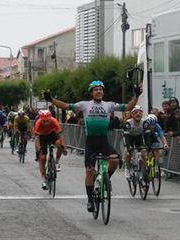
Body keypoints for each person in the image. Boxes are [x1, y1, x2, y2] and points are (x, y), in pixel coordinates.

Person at [43, 80, 141, 212]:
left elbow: (129, 107)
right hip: (91, 142)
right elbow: (66, 106)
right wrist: (51, 99)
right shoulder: (84, 105)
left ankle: (105, 179)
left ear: (103, 92)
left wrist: (136, 96)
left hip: (103, 141)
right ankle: (90, 200)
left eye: (100, 89)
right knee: (89, 171)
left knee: (115, 160)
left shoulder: (109, 105)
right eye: (96, 90)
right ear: (92, 93)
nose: (99, 91)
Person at [33, 110, 64, 190]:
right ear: (41, 119)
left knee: (60, 144)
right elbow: (36, 139)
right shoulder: (38, 123)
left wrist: (63, 145)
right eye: (44, 121)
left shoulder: (54, 121)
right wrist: (38, 150)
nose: (46, 122)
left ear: (50, 118)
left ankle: (56, 161)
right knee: (42, 158)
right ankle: (43, 179)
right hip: (42, 136)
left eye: (47, 121)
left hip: (51, 134)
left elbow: (60, 134)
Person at [122, 105, 145, 179]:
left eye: (140, 112)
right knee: (129, 153)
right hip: (129, 137)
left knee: (143, 151)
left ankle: (143, 169)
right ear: (132, 115)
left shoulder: (144, 122)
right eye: (135, 113)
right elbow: (126, 137)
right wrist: (129, 148)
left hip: (138, 137)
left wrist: (148, 146)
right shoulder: (128, 123)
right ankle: (127, 168)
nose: (138, 114)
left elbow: (147, 135)